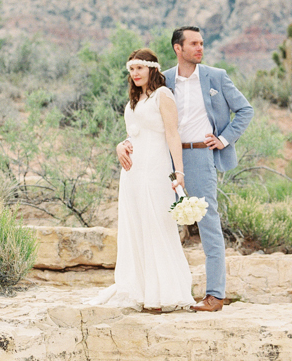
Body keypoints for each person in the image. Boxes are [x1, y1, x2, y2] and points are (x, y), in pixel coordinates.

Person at [117, 26, 253, 312]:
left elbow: (245, 110)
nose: (200, 48)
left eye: (202, 43)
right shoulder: (163, 80)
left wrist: (224, 138)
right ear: (178, 49)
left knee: (208, 224)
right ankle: (163, 291)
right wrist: (126, 143)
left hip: (202, 157)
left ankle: (215, 295)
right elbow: (148, 121)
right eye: (194, 44)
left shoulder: (216, 77)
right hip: (165, 159)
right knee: (159, 223)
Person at [92, 48, 195, 312]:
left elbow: (172, 135)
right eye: (131, 69)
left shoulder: (163, 95)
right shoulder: (134, 100)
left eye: (139, 68)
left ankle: (162, 295)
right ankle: (141, 290)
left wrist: (178, 173)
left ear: (152, 68)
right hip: (133, 174)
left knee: (157, 226)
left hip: (155, 170)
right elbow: (135, 134)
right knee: (135, 227)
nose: (135, 74)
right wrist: (121, 145)